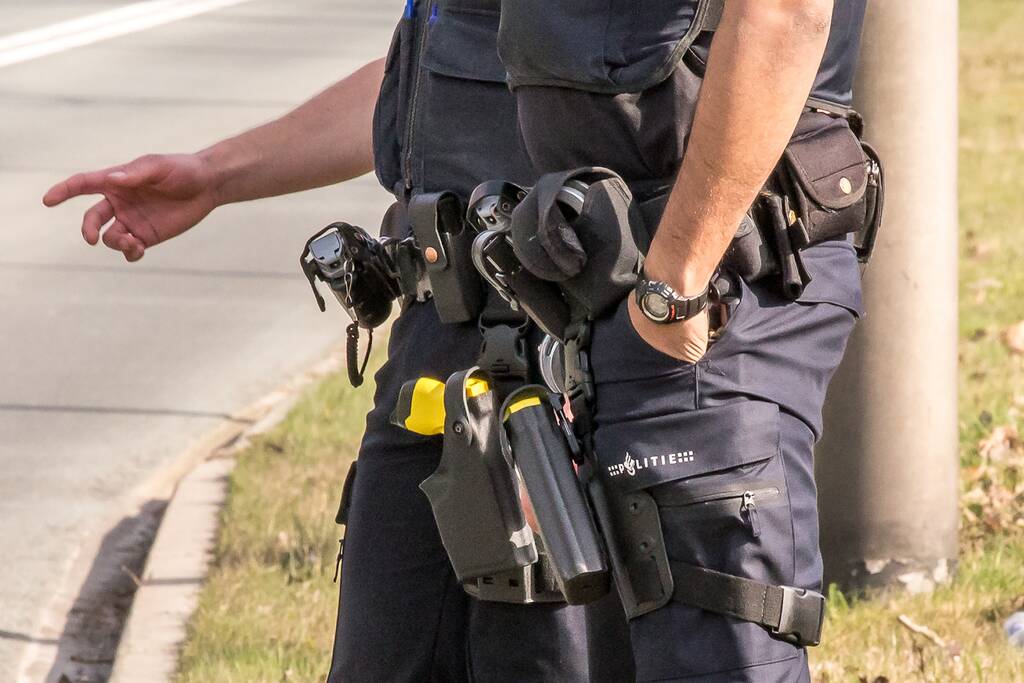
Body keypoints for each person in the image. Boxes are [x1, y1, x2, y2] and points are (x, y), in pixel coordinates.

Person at [42, 2, 633, 681]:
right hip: (433, 355)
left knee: (544, 661)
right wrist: (215, 174)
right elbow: (413, 77)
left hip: (559, 367)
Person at [488, 0, 872, 680]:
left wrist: (675, 284)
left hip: (710, 284)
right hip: (626, 288)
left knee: (714, 653)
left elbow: (787, 11)